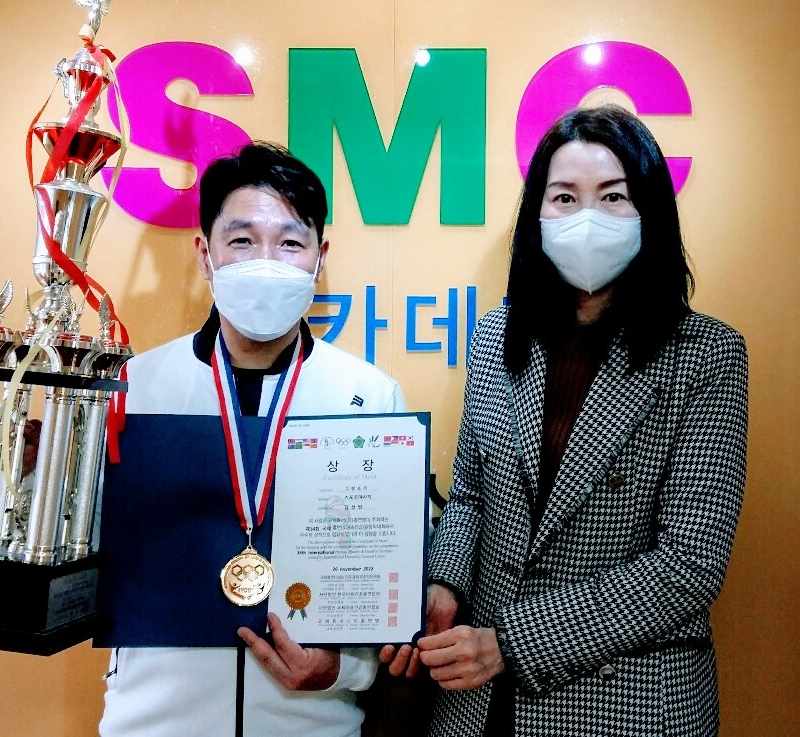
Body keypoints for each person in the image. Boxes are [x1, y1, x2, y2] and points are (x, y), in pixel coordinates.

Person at [384, 105, 748, 736]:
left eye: (613, 197)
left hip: (628, 699)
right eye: (564, 197)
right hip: (477, 700)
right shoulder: (497, 335)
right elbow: (470, 493)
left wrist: (512, 643)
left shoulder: (706, 354)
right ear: (538, 215)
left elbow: (689, 565)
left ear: (650, 212)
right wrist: (443, 586)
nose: (587, 217)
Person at [99, 142, 405, 736]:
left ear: (320, 258)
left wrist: (341, 671)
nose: (266, 261)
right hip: (152, 721)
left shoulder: (368, 397)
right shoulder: (132, 388)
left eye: (290, 243)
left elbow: (383, 579)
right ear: (205, 254)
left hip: (312, 725)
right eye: (241, 240)